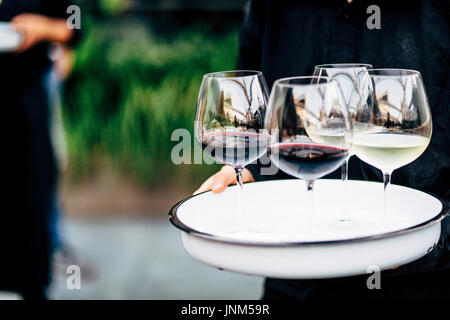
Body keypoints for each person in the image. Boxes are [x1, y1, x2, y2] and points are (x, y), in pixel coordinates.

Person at [195, 0, 449, 300]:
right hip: (293, 277)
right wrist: (251, 171)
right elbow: (256, 113)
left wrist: (430, 239)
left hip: (423, 282)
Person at [0, 0, 80, 299]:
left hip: (27, 102)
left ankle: (34, 283)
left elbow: (75, 25)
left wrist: (42, 27)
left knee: (31, 195)